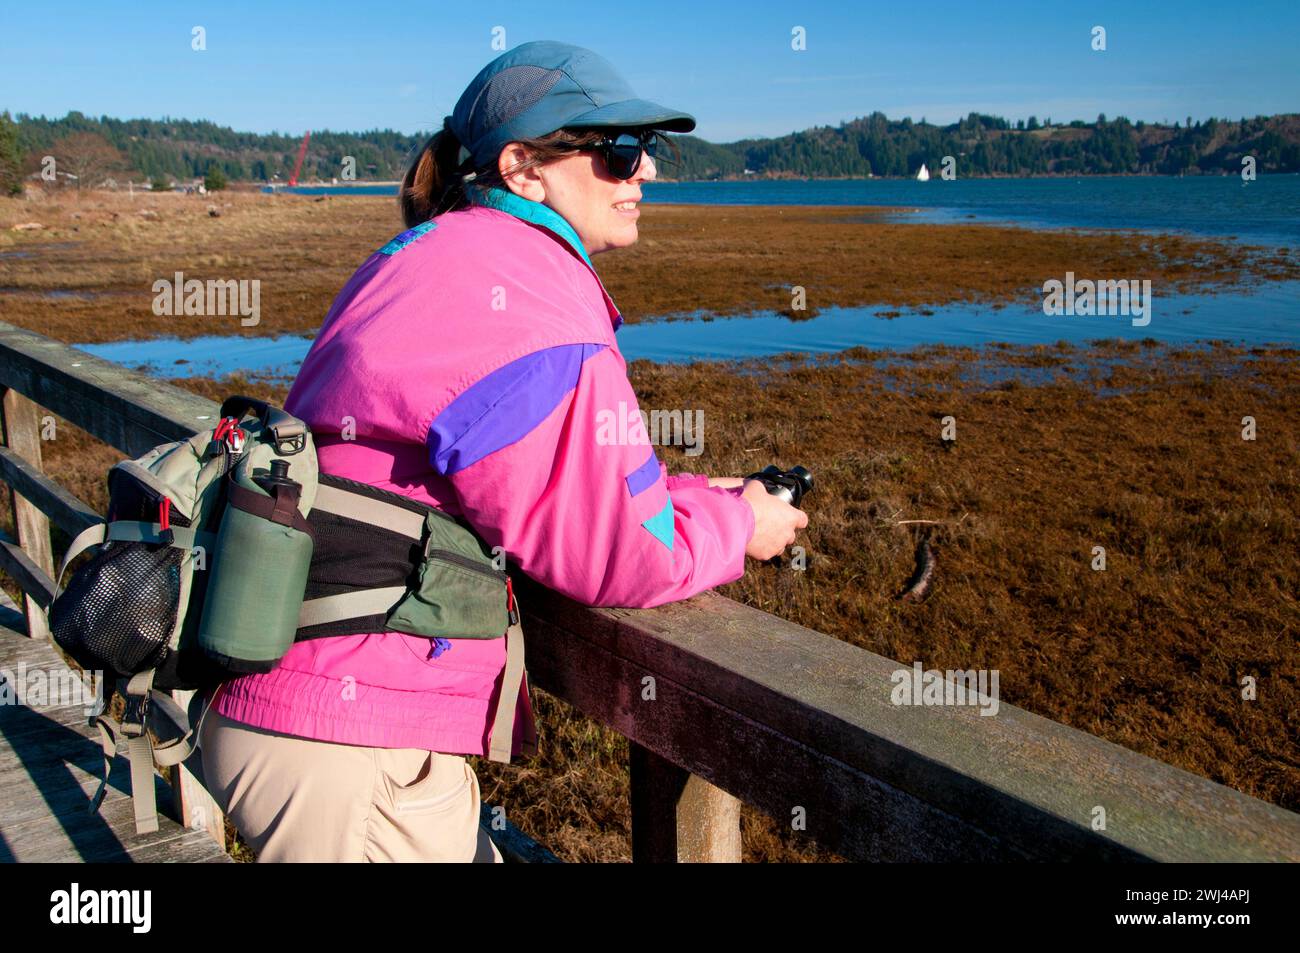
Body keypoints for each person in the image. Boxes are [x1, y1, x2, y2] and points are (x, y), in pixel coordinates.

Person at [197, 39, 808, 863]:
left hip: (280, 696)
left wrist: (703, 492)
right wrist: (742, 528)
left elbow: (548, 481)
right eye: (619, 152)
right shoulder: (537, 304)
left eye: (648, 152)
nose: (646, 175)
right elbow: (620, 552)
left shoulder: (419, 256)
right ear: (524, 168)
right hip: (354, 748)